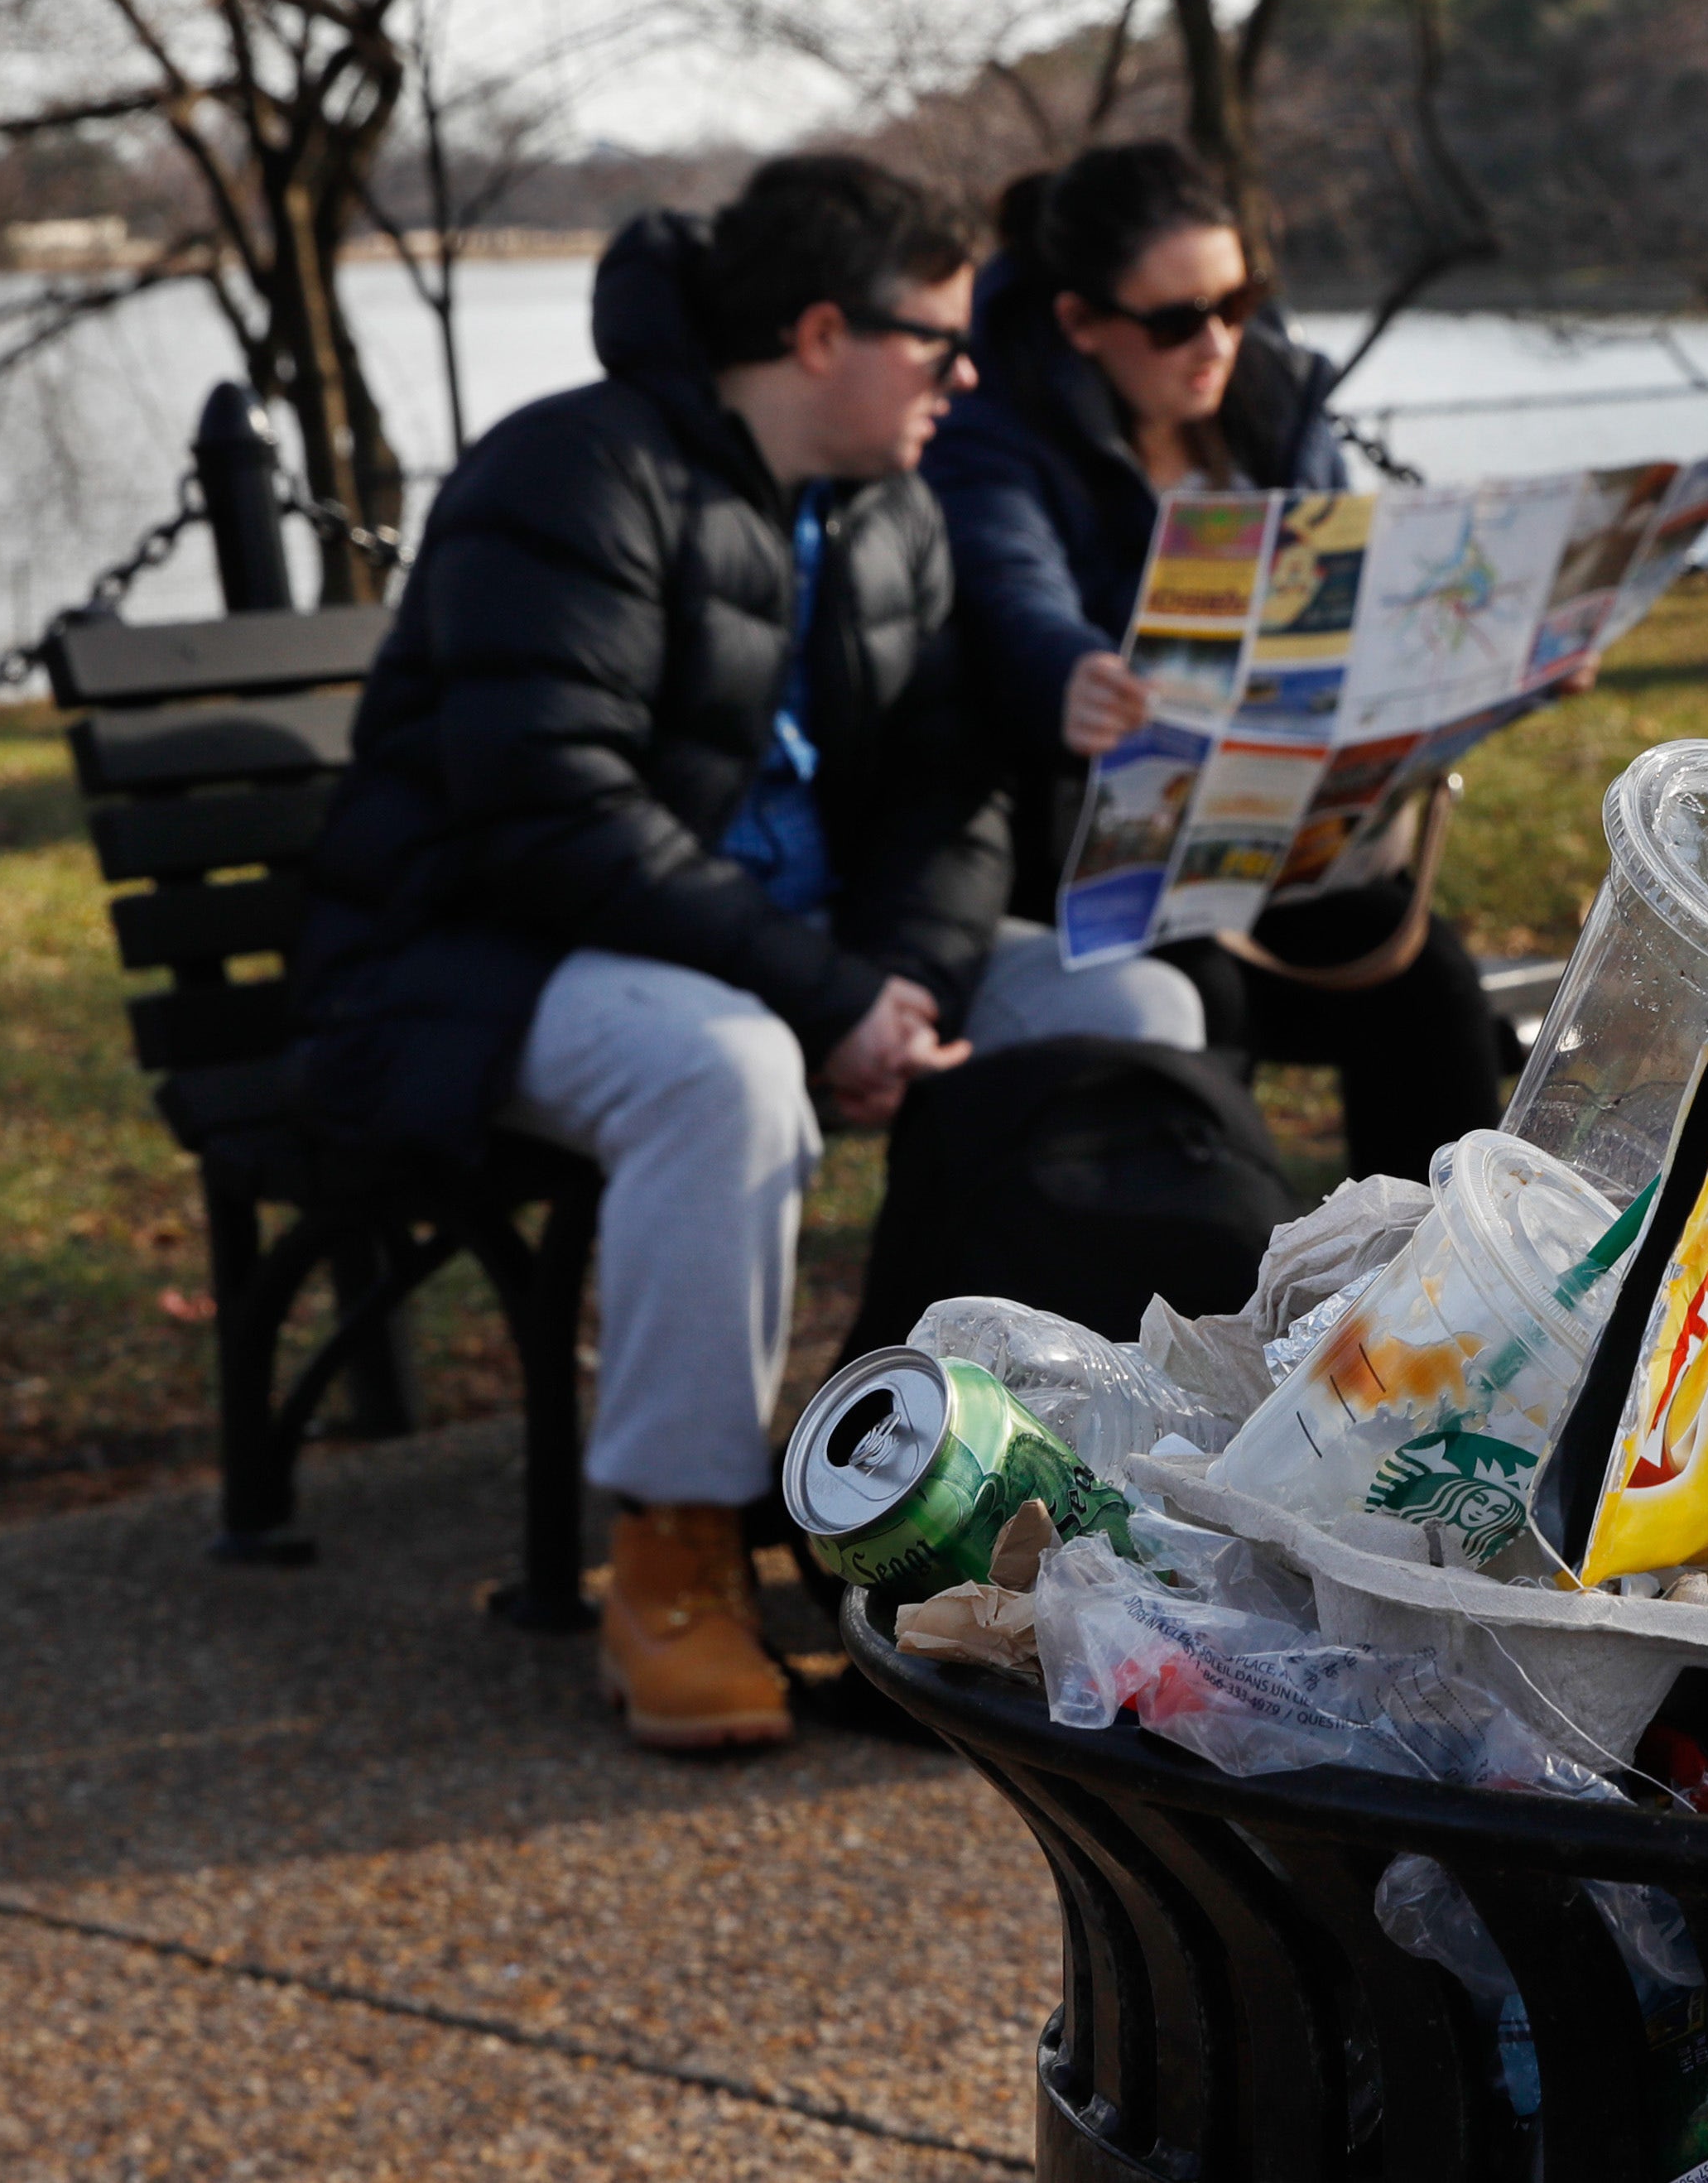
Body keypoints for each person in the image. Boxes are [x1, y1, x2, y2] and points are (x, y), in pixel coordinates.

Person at [290, 156, 1205, 1754]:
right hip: (489, 957)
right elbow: (541, 807)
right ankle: (676, 1561)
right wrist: (826, 994)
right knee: (723, 1069)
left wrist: (900, 978)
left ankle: (1059, 1500)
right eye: (936, 340)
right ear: (816, 333)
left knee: (1129, 995)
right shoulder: (569, 473)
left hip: (797, 962)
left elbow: (949, 789)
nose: (967, 373)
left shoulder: (891, 515)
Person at [925, 138, 1508, 1183]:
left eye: (1240, 302)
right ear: (1081, 324)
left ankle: (1445, 1304)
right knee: (1209, 1005)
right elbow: (1010, 587)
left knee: (1429, 983)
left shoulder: (1270, 397)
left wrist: (1487, 664)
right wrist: (1076, 674)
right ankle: (1229, 1300)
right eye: (1177, 320)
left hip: (1280, 840)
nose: (1219, 341)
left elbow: (1366, 584)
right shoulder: (993, 427)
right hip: (1092, 854)